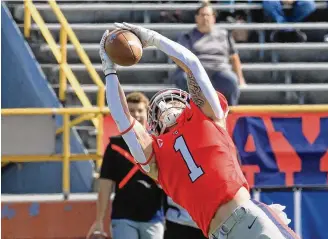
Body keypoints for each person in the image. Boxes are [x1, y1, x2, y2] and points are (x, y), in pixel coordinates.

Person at [101, 21, 297, 239]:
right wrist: (109, 70)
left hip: (248, 219)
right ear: (154, 126)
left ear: (186, 103)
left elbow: (192, 64)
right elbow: (123, 119)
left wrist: (153, 38)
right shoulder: (157, 157)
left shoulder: (208, 116)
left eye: (169, 102)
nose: (165, 107)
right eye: (158, 109)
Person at [86, 92, 165, 239]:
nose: (136, 114)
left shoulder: (158, 144)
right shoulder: (115, 146)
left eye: (140, 111)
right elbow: (105, 186)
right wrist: (99, 220)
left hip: (154, 217)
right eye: (131, 111)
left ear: (147, 113)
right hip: (123, 218)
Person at [170, 3, 245, 106]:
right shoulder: (187, 36)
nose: (205, 18)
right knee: (182, 77)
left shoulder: (224, 35)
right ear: (196, 18)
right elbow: (180, 59)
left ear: (213, 18)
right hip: (195, 72)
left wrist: (240, 78)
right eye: (202, 15)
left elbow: (234, 57)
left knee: (231, 80)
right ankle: (189, 112)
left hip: (219, 71)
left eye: (208, 15)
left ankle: (229, 114)